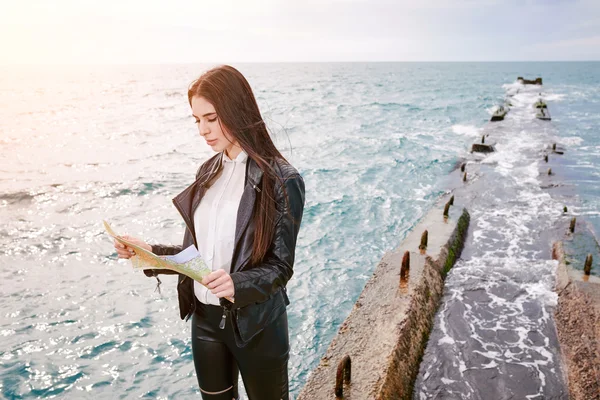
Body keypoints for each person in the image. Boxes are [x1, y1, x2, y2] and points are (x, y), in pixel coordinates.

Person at [113, 65, 305, 400]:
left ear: (236, 110)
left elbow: (280, 267)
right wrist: (150, 252)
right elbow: (198, 255)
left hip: (257, 326)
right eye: (196, 120)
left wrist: (237, 283)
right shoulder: (208, 171)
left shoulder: (281, 180)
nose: (203, 130)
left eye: (211, 118)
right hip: (204, 321)